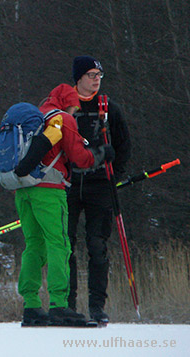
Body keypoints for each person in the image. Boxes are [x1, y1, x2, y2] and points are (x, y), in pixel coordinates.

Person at [13, 84, 114, 326]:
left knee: (33, 245)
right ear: (67, 102)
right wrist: (100, 154)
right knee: (59, 244)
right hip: (49, 190)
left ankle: (31, 306)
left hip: (23, 189)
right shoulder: (62, 119)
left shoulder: (38, 116)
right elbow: (79, 158)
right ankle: (60, 305)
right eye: (73, 106)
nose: (74, 111)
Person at [67, 56, 131, 324]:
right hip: (67, 186)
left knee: (97, 245)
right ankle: (66, 304)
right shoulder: (63, 108)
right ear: (78, 78)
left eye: (99, 75)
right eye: (91, 74)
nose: (96, 79)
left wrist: (114, 175)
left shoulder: (110, 109)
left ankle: (97, 306)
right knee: (65, 246)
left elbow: (124, 147)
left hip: (100, 186)